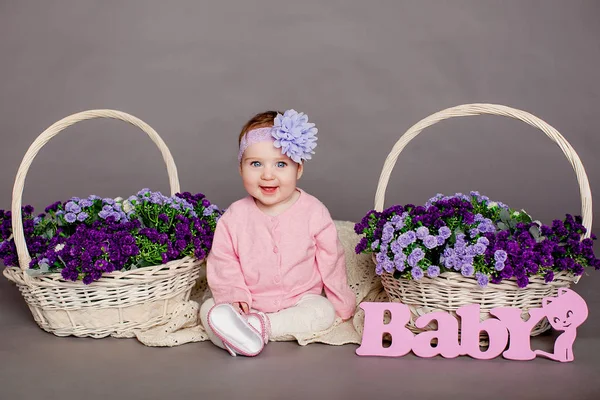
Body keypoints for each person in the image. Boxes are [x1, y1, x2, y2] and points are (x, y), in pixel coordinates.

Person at [199, 109, 355, 356]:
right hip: (246, 303)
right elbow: (223, 260)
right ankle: (238, 326)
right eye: (256, 163)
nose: (268, 174)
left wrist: (341, 301)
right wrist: (233, 296)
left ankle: (258, 329)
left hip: (299, 300)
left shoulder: (314, 211)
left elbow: (331, 259)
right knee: (208, 309)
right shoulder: (234, 217)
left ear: (298, 169)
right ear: (240, 168)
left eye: (281, 164)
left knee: (322, 311)